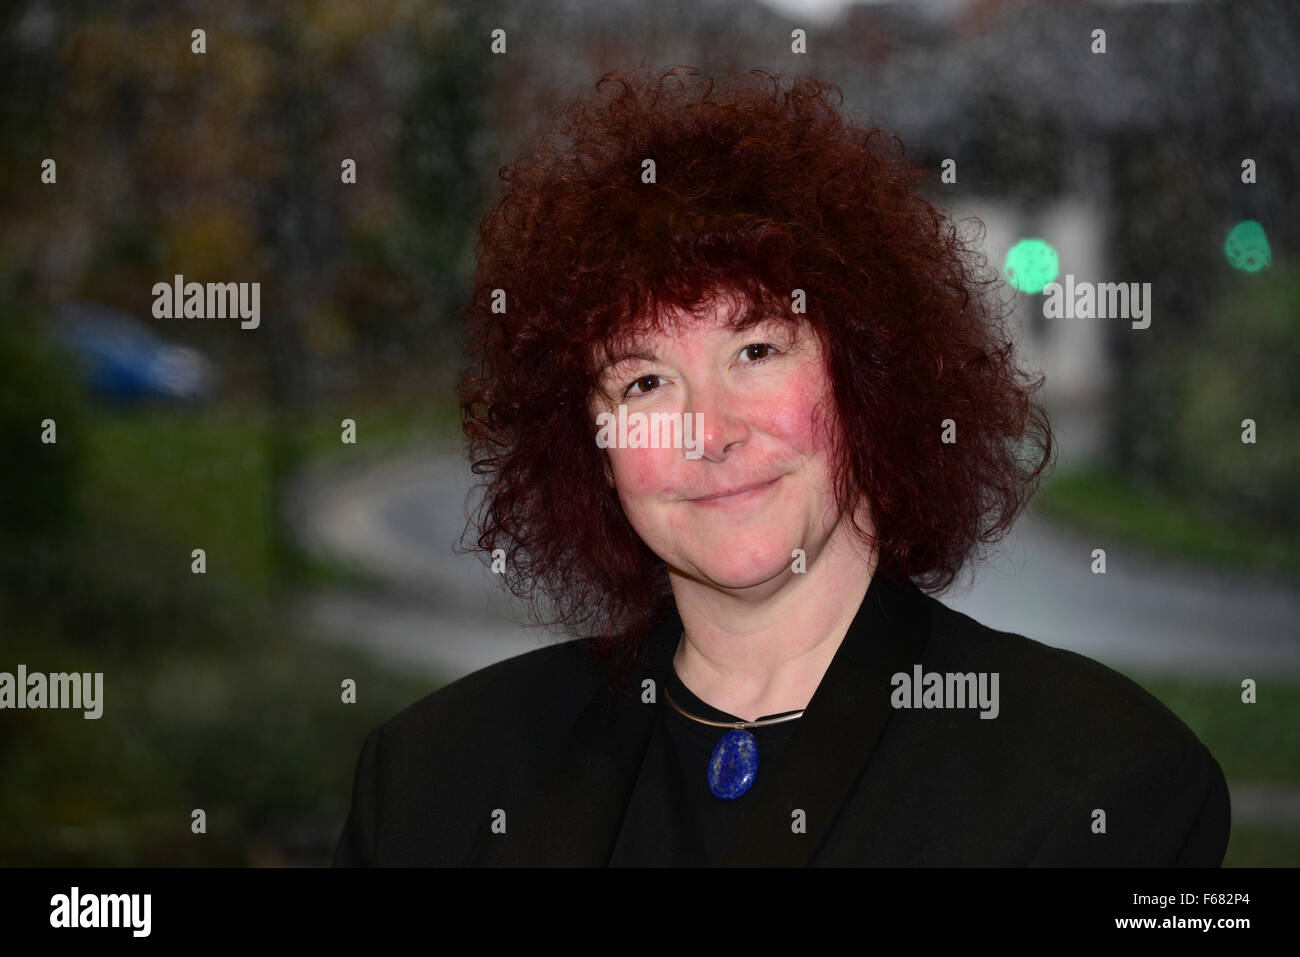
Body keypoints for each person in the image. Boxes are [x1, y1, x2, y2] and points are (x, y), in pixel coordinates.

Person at [333, 66, 1229, 867]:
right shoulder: (428, 784)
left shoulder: (1103, 783)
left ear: (867, 376)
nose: (709, 431)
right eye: (645, 381)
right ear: (591, 450)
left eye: (757, 350)